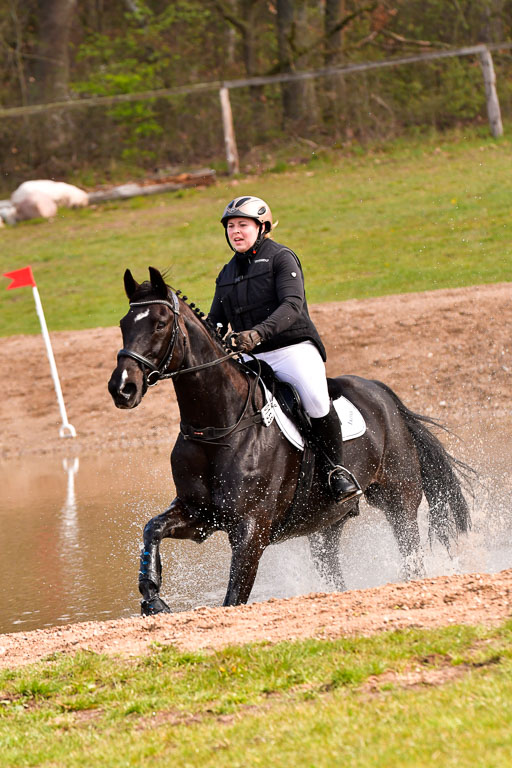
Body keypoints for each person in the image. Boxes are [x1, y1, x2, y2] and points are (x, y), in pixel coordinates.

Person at [208, 195, 361, 503]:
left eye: (243, 225)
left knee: (316, 401)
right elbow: (214, 322)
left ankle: (336, 471)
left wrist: (257, 333)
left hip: (293, 350)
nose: (235, 232)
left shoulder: (281, 258)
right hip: (252, 359)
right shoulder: (225, 275)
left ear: (262, 227)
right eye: (231, 226)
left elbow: (292, 305)